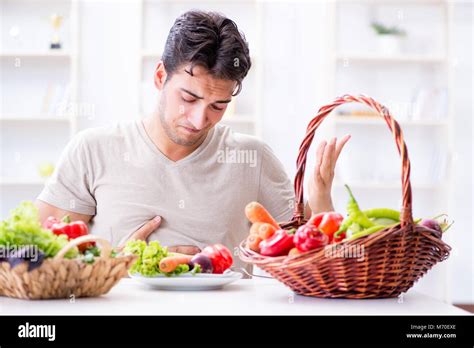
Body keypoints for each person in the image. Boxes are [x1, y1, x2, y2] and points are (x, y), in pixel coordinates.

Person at [35, 10, 350, 269]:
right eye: (188, 97)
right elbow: (35, 257)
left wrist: (320, 198)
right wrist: (116, 263)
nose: (200, 120)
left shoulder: (253, 158)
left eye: (218, 106)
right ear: (160, 77)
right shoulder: (93, 150)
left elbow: (306, 262)